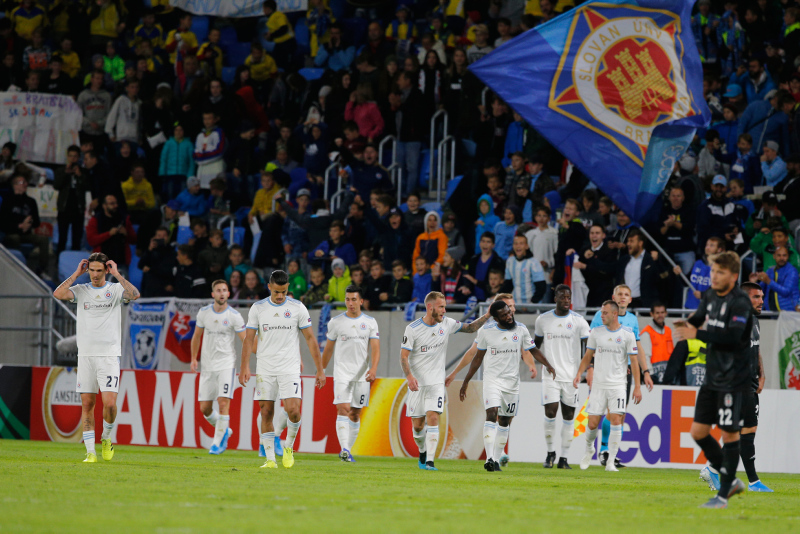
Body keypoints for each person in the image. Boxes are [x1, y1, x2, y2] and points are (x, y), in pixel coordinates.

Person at [675, 251, 753, 508]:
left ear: (733, 276)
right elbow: (698, 318)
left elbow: (732, 338)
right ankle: (731, 480)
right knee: (698, 432)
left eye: (720, 272)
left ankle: (722, 496)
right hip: (712, 377)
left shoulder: (740, 302)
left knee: (729, 434)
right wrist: (686, 324)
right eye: (712, 271)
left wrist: (697, 333)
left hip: (733, 379)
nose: (714, 276)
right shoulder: (709, 295)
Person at [52, 253, 140, 462]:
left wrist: (117, 274)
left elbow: (134, 294)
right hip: (86, 356)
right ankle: (90, 452)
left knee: (109, 404)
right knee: (87, 404)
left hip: (108, 355)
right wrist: (76, 273)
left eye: (99, 270)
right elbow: (58, 293)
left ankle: (106, 437)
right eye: (91, 270)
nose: (95, 275)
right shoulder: (81, 290)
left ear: (106, 270)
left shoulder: (115, 290)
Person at [240, 270, 326, 469]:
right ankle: (270, 460)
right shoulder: (258, 308)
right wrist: (244, 366)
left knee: (293, 411)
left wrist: (320, 369)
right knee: (266, 412)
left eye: (284, 292)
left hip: (289, 367)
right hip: (265, 368)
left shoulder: (297, 308)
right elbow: (248, 339)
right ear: (269, 287)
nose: (280, 296)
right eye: (276, 292)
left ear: (288, 288)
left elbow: (310, 339)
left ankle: (288, 446)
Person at [401, 292, 491, 471]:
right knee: (417, 427)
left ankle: (430, 461)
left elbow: (470, 328)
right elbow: (404, 356)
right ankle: (423, 451)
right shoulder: (413, 328)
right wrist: (409, 376)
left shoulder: (447, 323)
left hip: (436, 383)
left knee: (433, 418)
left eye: (445, 307)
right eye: (441, 307)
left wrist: (488, 314)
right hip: (417, 384)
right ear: (430, 307)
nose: (444, 310)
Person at [459, 299, 551, 472]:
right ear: (495, 318)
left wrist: (548, 365)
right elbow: (477, 358)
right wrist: (466, 381)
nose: (509, 316)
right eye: (504, 315)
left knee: (505, 421)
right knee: (491, 413)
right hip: (492, 380)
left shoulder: (521, 329)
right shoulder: (486, 331)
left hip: (512, 383)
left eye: (509, 312)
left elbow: (533, 350)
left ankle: (496, 458)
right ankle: (489, 458)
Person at [589, 284, 654, 468]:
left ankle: (611, 453)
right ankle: (603, 449)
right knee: (609, 413)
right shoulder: (600, 316)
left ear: (630, 299)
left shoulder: (632, 320)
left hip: (624, 373)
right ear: (614, 297)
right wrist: (591, 367)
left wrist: (646, 371)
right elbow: (591, 343)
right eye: (620, 294)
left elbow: (638, 348)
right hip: (605, 371)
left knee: (620, 414)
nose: (623, 297)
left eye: (626, 294)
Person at [574, 300, 641, 471]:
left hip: (618, 385)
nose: (601, 315)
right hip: (599, 385)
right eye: (601, 312)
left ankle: (610, 460)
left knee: (616, 420)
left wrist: (637, 386)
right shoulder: (596, 333)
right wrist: (579, 374)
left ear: (614, 314)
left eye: (605, 313)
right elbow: (587, 356)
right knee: (592, 424)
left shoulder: (627, 334)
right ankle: (589, 449)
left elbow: (634, 362)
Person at [533, 285, 591, 469]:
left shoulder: (579, 321)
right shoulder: (543, 320)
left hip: (571, 377)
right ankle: (550, 453)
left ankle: (564, 458)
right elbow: (535, 345)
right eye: (563, 297)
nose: (566, 300)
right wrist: (532, 361)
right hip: (550, 376)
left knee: (569, 416)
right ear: (555, 298)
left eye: (569, 297)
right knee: (550, 412)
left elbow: (589, 349)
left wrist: (588, 368)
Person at [321, 286, 380, 462]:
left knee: (355, 414)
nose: (350, 303)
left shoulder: (370, 322)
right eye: (347, 299)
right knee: (343, 408)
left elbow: (376, 348)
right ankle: (345, 450)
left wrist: (373, 369)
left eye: (354, 299)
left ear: (361, 301)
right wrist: (321, 370)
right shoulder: (336, 322)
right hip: (342, 373)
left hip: (361, 375)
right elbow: (328, 349)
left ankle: (348, 450)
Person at [190, 280, 246, 455]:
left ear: (228, 294)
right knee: (205, 408)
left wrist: (246, 365)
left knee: (223, 402)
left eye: (224, 290)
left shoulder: (234, 316)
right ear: (213, 294)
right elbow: (196, 336)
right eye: (218, 290)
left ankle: (217, 442)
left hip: (226, 365)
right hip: (208, 366)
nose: (222, 293)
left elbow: (246, 340)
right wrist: (193, 358)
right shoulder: (204, 313)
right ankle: (224, 430)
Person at [734, 282, 772, 492]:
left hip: (751, 383)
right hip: (739, 385)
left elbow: (755, 349)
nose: (761, 301)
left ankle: (712, 468)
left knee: (742, 431)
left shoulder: (755, 321)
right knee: (747, 430)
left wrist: (762, 373)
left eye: (762, 297)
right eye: (756, 297)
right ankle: (754, 481)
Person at [0, 174, 50, 276]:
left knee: (43, 239)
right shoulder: (7, 200)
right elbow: (3, 223)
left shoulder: (31, 201)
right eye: (22, 182)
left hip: (26, 234)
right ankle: (18, 267)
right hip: (11, 233)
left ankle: (41, 270)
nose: (25, 184)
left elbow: (37, 222)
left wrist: (29, 224)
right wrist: (19, 226)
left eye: (26, 182)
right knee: (15, 238)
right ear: (15, 185)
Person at [86, 195, 136, 274]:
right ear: (104, 206)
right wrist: (109, 234)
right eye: (112, 204)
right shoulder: (96, 220)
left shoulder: (124, 219)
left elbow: (134, 240)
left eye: (116, 203)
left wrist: (126, 234)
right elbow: (91, 240)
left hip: (121, 262)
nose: (115, 206)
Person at [54, 146, 90, 254]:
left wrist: (79, 176)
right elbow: (56, 185)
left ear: (78, 157)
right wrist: (66, 173)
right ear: (67, 157)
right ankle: (59, 259)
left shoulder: (84, 172)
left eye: (75, 156)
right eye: (70, 156)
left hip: (78, 208)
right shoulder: (61, 170)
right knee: (62, 237)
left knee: (77, 238)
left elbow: (88, 186)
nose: (72, 159)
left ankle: (75, 260)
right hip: (64, 207)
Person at [752, 245, 800, 311]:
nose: (781, 258)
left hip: (788, 311)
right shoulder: (770, 271)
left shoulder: (792, 271)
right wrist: (753, 282)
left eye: (784, 255)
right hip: (770, 312)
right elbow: (761, 291)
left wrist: (769, 281)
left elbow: (786, 292)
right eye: (779, 255)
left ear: (788, 256)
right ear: (774, 256)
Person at [683, 237, 724, 309]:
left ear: (719, 249)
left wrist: (703, 295)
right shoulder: (698, 263)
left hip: (711, 308)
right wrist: (679, 273)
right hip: (692, 306)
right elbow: (686, 282)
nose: (707, 248)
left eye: (711, 245)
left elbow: (721, 288)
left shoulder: (722, 267)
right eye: (706, 245)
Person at [506, 234, 546, 304]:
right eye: (516, 243)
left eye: (521, 243)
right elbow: (508, 284)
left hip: (531, 304)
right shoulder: (510, 261)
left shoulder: (534, 263)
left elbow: (541, 287)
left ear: (527, 246)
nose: (518, 246)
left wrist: (532, 304)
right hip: (515, 304)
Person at [640, 303, 673, 384]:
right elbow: (645, 356)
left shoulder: (668, 330)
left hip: (666, 376)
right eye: (657, 313)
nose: (660, 315)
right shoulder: (647, 332)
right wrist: (649, 374)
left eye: (662, 312)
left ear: (666, 313)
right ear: (652, 314)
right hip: (653, 375)